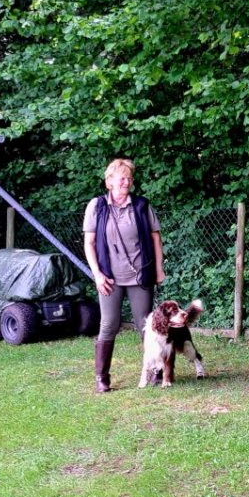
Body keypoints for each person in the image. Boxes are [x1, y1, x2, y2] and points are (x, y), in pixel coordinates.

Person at [83, 158, 165, 393]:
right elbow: (89, 243)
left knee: (146, 325)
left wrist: (159, 269)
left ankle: (156, 372)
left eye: (129, 178)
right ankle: (102, 377)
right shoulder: (96, 206)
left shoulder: (141, 205)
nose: (126, 181)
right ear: (109, 181)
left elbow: (155, 238)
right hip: (109, 277)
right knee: (108, 324)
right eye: (122, 178)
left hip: (140, 276)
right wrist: (97, 274)